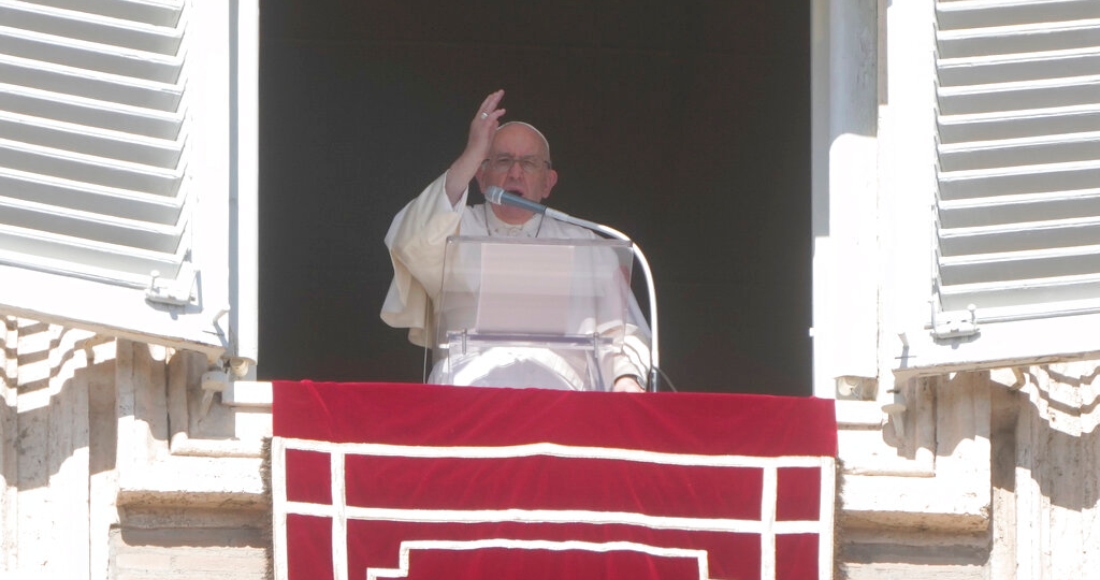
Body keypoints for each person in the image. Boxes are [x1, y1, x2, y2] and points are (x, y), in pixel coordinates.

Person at [380, 90, 648, 392]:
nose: (516, 173)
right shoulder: (453, 228)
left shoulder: (585, 243)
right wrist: (472, 153)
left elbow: (622, 329)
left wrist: (625, 379)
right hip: (465, 387)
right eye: (503, 160)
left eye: (530, 163)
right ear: (480, 177)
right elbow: (408, 241)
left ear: (548, 183)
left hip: (562, 396)